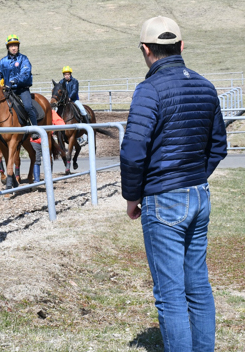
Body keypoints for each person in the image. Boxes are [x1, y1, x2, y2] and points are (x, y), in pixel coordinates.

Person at [120, 16, 227, 352]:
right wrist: (194, 176)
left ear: (145, 50)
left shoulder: (149, 90)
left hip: (164, 198)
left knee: (170, 295)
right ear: (181, 47)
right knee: (198, 286)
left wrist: (132, 196)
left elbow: (133, 151)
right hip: (199, 194)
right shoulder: (205, 86)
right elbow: (219, 145)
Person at [0, 34, 39, 140]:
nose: (14, 48)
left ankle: (35, 128)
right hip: (8, 90)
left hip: (22, 89)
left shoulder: (23, 59)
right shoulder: (2, 61)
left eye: (15, 45)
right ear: (8, 47)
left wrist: (13, 81)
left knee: (28, 106)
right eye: (11, 46)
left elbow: (26, 73)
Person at [59, 66, 89, 146]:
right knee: (56, 112)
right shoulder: (61, 82)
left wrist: (70, 97)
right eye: (65, 74)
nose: (66, 76)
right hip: (64, 101)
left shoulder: (75, 81)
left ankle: (89, 127)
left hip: (74, 100)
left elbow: (75, 90)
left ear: (70, 74)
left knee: (82, 110)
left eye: (68, 74)